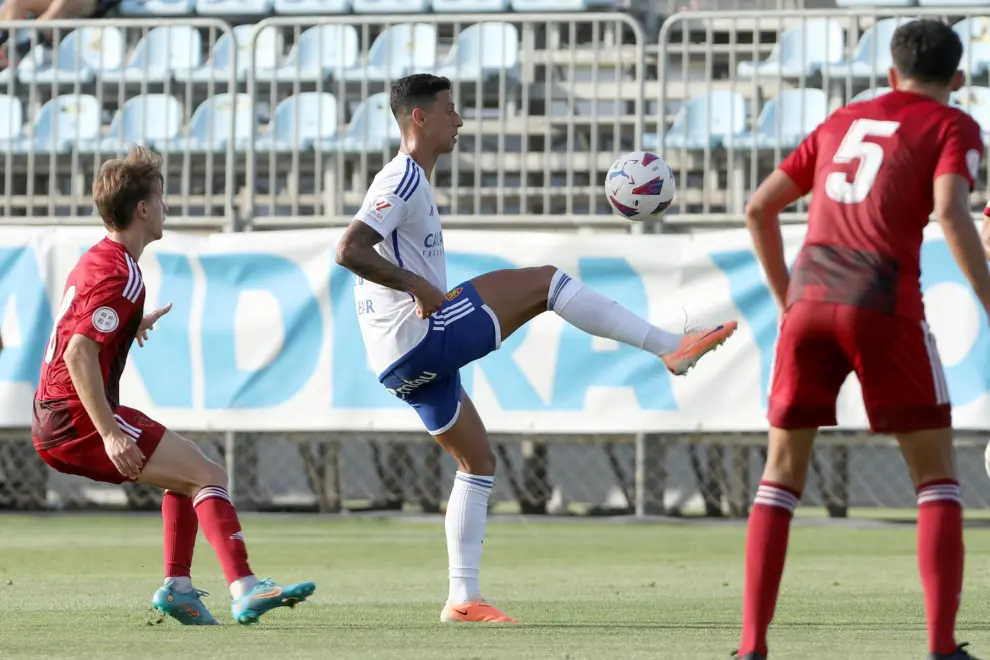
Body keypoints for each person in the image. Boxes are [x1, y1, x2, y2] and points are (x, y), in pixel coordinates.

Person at [335, 73, 738, 624]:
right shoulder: (402, 177)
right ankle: (670, 347)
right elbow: (349, 249)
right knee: (547, 282)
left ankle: (462, 599)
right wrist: (421, 288)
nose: (461, 120)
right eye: (450, 110)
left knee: (477, 462)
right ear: (419, 118)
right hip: (416, 338)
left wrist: (417, 287)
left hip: (396, 360)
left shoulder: (415, 180)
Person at [736, 19, 990, 660]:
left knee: (780, 478)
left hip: (810, 303)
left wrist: (787, 299)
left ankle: (752, 646)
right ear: (958, 81)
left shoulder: (841, 120)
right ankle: (939, 647)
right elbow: (952, 212)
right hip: (883, 302)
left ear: (889, 74)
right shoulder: (953, 125)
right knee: (936, 479)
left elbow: (759, 208)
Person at [31, 145, 316, 626]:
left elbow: (78, 333)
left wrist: (128, 325)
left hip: (57, 413)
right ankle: (245, 588)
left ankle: (179, 588)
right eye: (161, 198)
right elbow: (79, 352)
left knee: (187, 472)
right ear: (142, 209)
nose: (166, 208)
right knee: (210, 475)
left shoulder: (101, 261)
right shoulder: (119, 274)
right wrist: (109, 432)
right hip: (74, 418)